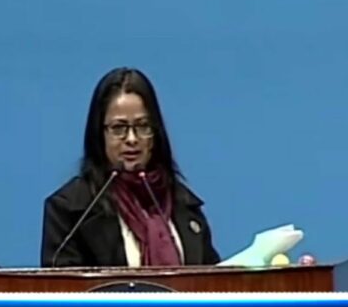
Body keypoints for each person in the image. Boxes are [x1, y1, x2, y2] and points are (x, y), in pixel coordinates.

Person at [40, 67, 220, 267]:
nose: (132, 139)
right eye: (119, 128)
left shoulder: (184, 204)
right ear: (99, 134)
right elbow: (62, 282)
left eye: (142, 126)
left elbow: (213, 279)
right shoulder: (70, 210)